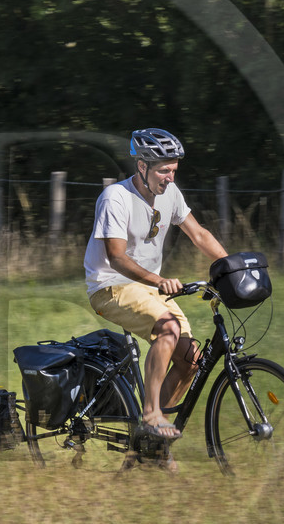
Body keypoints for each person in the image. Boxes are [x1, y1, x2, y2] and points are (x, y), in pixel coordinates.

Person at [85, 128, 229, 441]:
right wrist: (160, 280)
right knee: (168, 329)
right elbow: (116, 257)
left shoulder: (171, 195)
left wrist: (229, 268)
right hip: (111, 285)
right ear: (142, 167)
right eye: (163, 170)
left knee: (192, 360)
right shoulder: (116, 198)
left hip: (147, 289)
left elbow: (199, 235)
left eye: (174, 170)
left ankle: (147, 445)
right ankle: (151, 415)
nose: (170, 178)